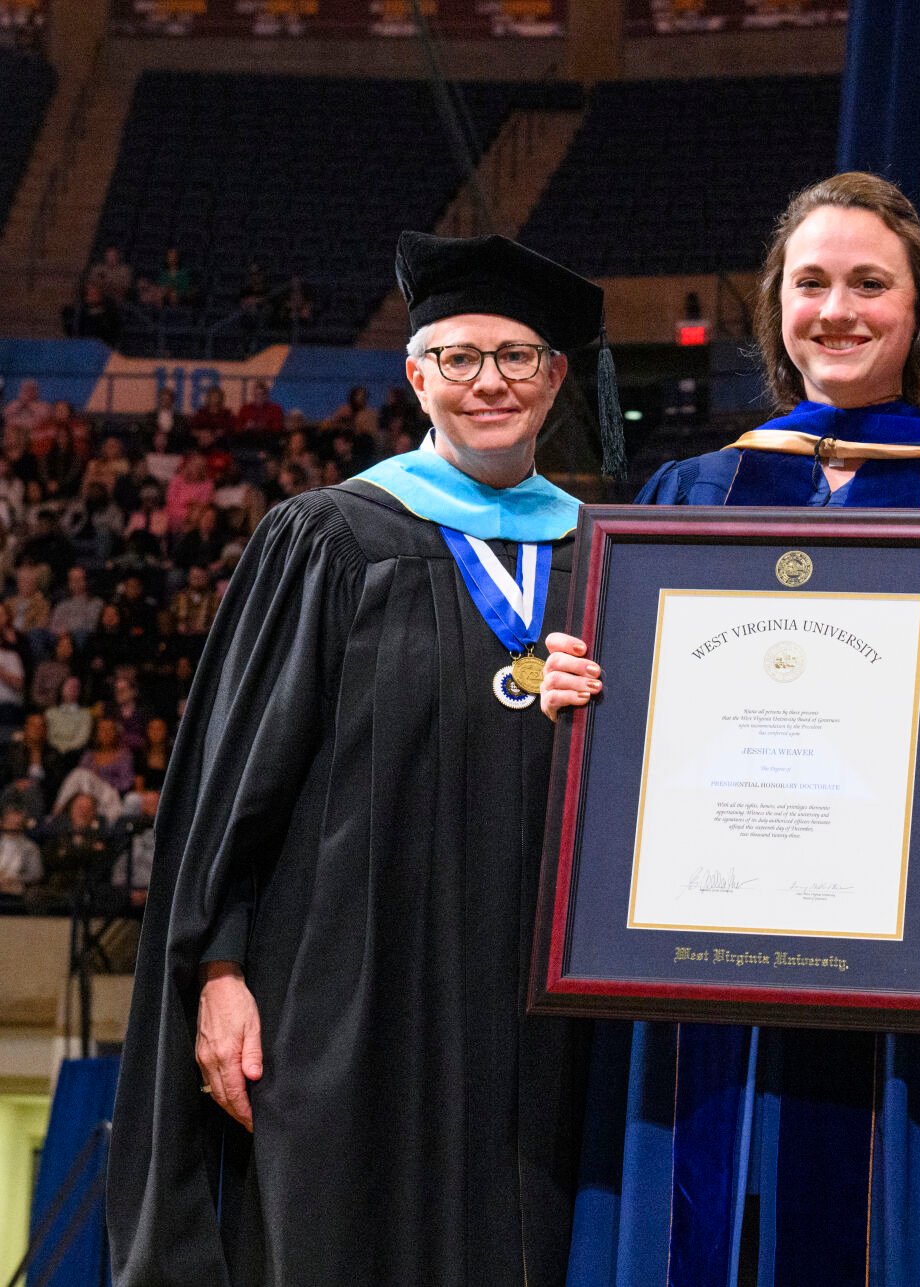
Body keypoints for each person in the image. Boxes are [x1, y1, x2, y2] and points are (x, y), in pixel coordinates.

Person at [542, 172, 920, 1286]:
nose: (837, 309)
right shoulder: (694, 489)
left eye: (869, 284)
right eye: (811, 283)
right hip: (706, 968)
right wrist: (588, 693)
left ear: (919, 309)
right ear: (776, 309)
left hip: (915, 984)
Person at [108, 229, 620, 1287]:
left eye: (517, 357)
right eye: (461, 358)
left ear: (558, 375)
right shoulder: (328, 539)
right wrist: (219, 969)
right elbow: (235, 781)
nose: (490, 382)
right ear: (415, 376)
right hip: (345, 995)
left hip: (549, 1004)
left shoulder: (610, 555)